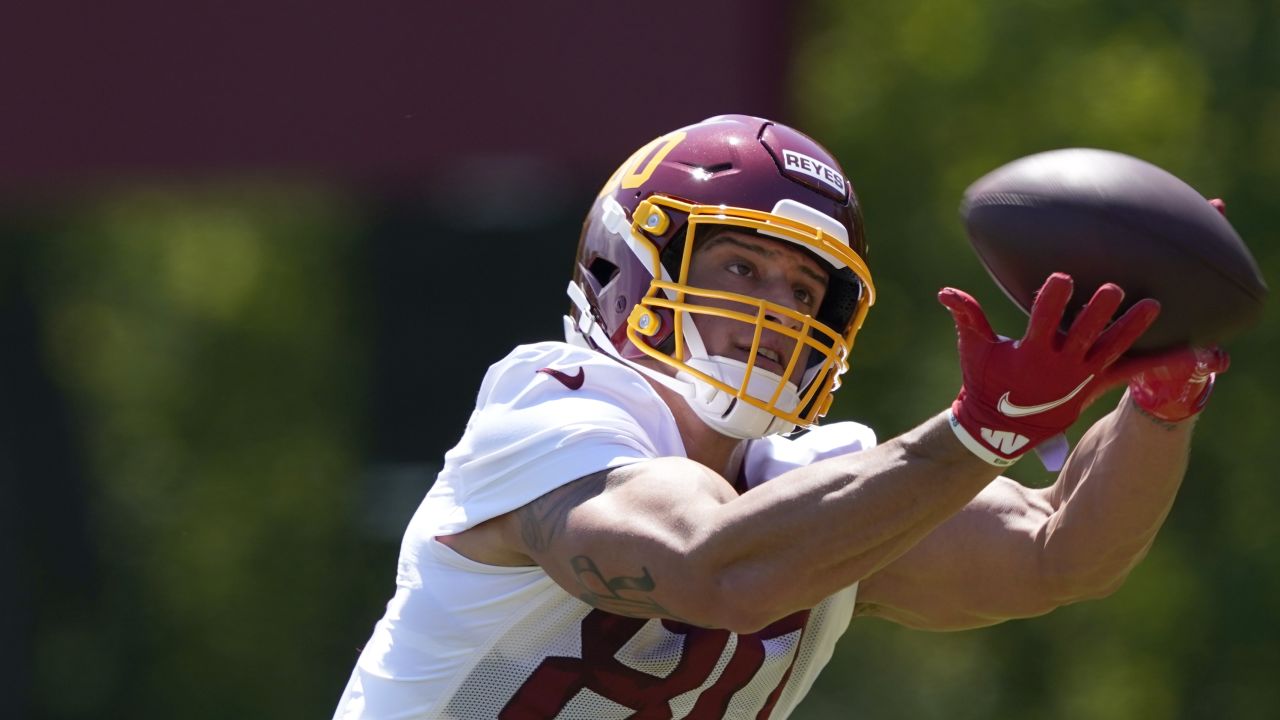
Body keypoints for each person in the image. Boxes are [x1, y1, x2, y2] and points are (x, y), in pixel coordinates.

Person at [331, 114, 1227, 719]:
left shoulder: (809, 490)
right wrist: (976, 432)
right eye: (740, 268)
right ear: (628, 265)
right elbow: (709, 568)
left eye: (806, 289)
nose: (782, 310)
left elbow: (1059, 550)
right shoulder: (549, 412)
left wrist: (1158, 402)